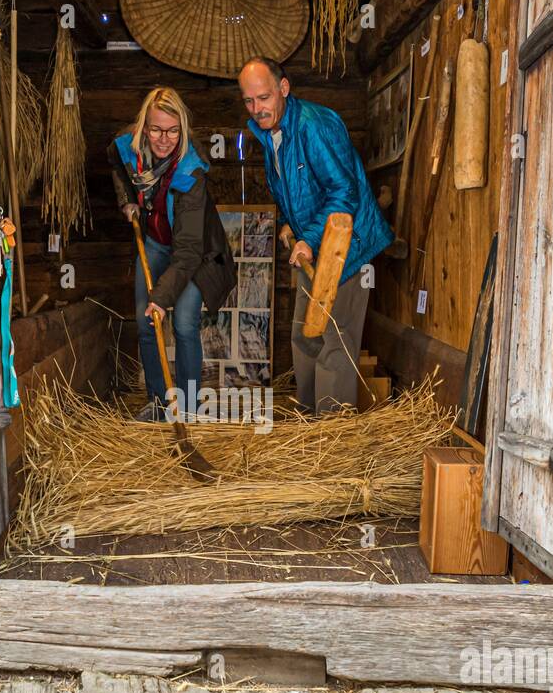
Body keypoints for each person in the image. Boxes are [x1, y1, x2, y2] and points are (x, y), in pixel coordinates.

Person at [238, 56, 393, 413]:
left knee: (335, 339)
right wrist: (294, 226)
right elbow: (299, 188)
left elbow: (344, 193)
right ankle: (307, 419)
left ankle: (330, 433)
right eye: (249, 101)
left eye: (263, 98)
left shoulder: (313, 126)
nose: (257, 108)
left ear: (283, 89)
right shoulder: (270, 134)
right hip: (313, 246)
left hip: (347, 248)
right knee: (304, 334)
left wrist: (308, 237)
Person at [108, 87, 236, 421]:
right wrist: (127, 200)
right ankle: (158, 402)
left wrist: (162, 297)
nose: (164, 138)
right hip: (154, 242)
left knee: (182, 321)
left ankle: (189, 408)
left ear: (182, 128)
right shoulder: (131, 148)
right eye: (156, 129)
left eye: (173, 130)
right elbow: (115, 160)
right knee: (145, 321)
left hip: (198, 254)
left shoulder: (191, 175)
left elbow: (189, 250)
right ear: (143, 127)